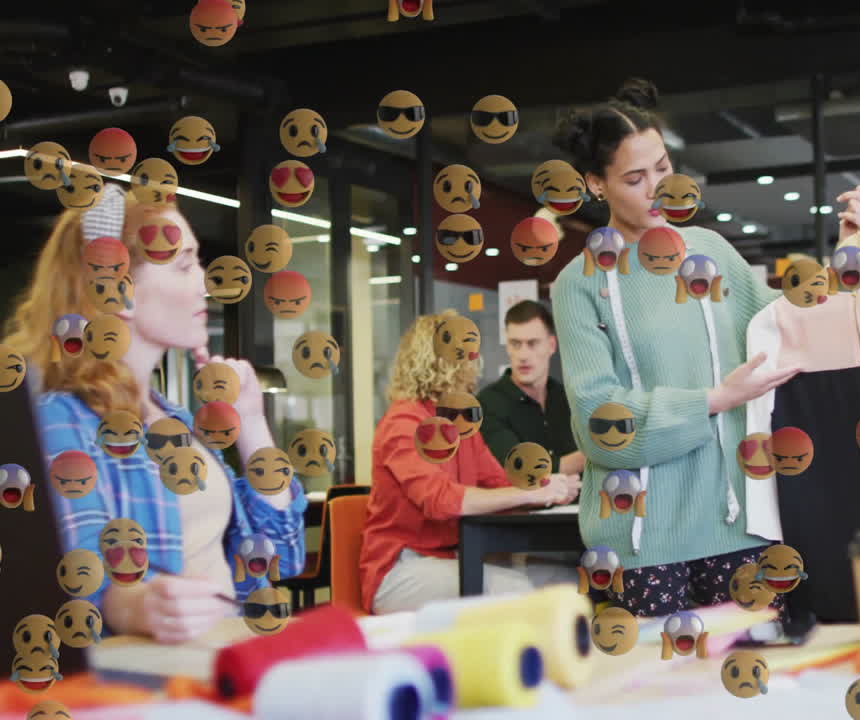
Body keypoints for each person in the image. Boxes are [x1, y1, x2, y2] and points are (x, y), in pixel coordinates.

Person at [549, 77, 860, 617]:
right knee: (659, 697)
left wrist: (852, 253)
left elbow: (793, 328)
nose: (657, 188)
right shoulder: (580, 284)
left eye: (662, 168)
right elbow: (599, 427)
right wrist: (714, 399)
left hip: (742, 529)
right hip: (641, 548)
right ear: (596, 185)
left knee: (754, 692)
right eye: (634, 178)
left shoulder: (710, 252)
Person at [2, 184, 307, 644]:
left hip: (225, 654)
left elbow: (283, 556)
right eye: (184, 265)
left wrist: (252, 423)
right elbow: (73, 576)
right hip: (151, 681)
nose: (205, 282)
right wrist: (137, 605)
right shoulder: (63, 420)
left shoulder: (174, 419)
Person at [360, 311, 582, 614]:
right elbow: (439, 499)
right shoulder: (403, 422)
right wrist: (533, 493)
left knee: (568, 580)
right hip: (400, 571)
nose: (474, 366)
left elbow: (500, 483)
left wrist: (548, 487)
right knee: (515, 591)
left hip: (455, 559)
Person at [477, 300, 583, 475]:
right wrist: (595, 456)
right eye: (515, 344)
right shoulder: (488, 404)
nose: (523, 355)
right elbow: (522, 470)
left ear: (551, 346)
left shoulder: (567, 397)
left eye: (532, 343)